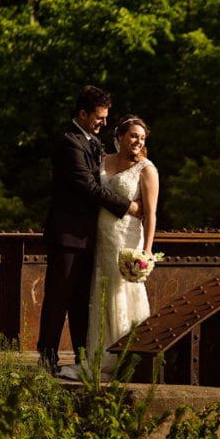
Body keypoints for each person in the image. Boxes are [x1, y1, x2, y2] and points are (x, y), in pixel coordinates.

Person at [37, 86, 139, 377]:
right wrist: (128, 206)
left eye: (105, 117)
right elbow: (88, 187)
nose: (103, 123)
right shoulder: (69, 143)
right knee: (58, 299)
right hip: (67, 236)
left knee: (82, 301)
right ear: (82, 113)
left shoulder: (92, 141)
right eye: (98, 117)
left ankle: (84, 357)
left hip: (89, 236)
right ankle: (47, 359)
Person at [79, 114, 159, 379]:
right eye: (133, 135)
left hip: (126, 239)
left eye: (142, 138)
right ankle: (101, 356)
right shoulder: (103, 161)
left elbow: (150, 213)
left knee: (123, 292)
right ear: (121, 136)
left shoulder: (146, 169)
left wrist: (147, 250)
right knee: (101, 292)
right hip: (101, 237)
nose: (137, 141)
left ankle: (127, 358)